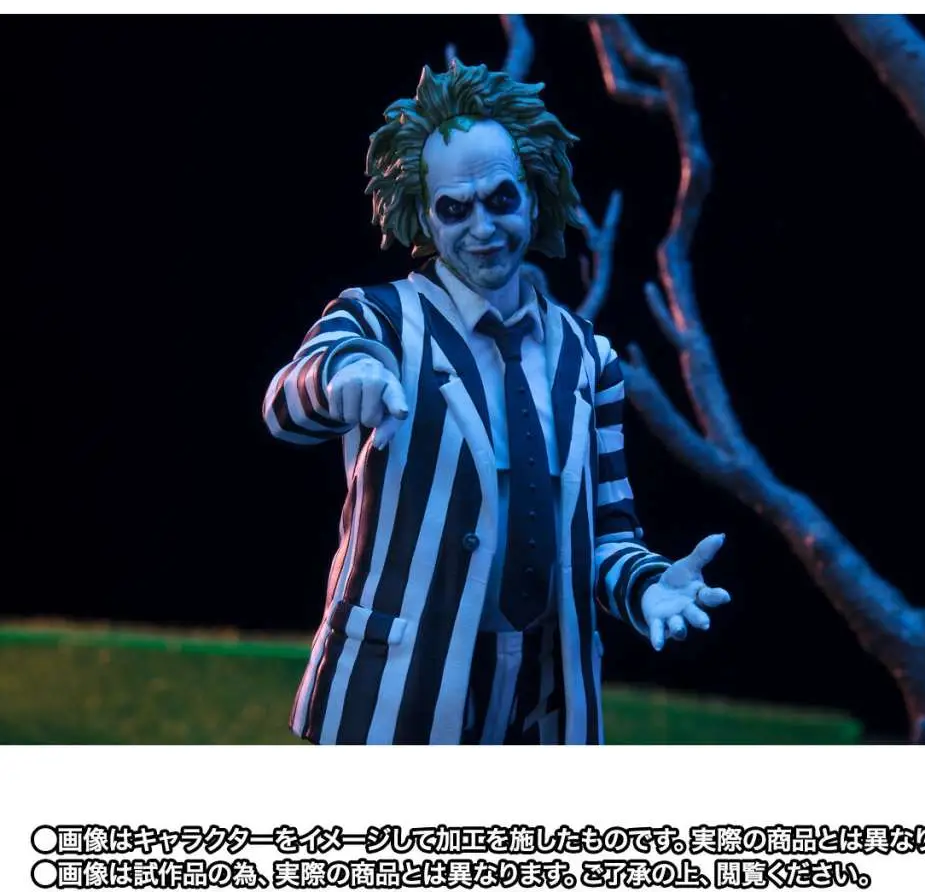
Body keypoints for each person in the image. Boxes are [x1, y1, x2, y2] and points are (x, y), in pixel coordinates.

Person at [262, 59, 730, 744]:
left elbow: (606, 533)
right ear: (425, 217)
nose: (483, 227)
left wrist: (648, 587)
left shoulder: (587, 358)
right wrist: (343, 374)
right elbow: (287, 401)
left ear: (534, 197)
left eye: (501, 199)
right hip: (402, 682)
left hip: (545, 691)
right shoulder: (380, 320)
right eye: (456, 208)